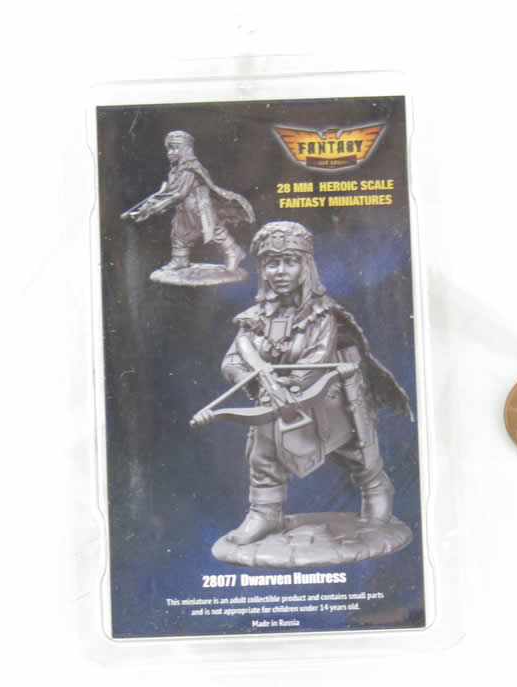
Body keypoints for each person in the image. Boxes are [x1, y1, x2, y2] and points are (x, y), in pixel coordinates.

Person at [195, 221, 412, 545]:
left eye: (290, 262)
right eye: (272, 263)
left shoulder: (322, 315)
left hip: (327, 400)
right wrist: (257, 379)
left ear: (306, 266)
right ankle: (265, 513)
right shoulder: (254, 318)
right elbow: (233, 361)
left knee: (356, 451)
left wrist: (287, 388)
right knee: (262, 453)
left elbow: (315, 359)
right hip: (275, 403)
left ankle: (376, 490)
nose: (281, 271)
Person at [121, 130, 254, 271]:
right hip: (183, 210)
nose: (170, 153)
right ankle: (180, 260)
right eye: (169, 149)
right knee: (178, 234)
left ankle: (233, 251)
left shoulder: (189, 168)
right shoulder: (176, 170)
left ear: (185, 149)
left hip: (198, 209)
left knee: (214, 232)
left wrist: (155, 208)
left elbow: (179, 194)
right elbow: (169, 192)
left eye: (174, 148)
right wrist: (149, 206)